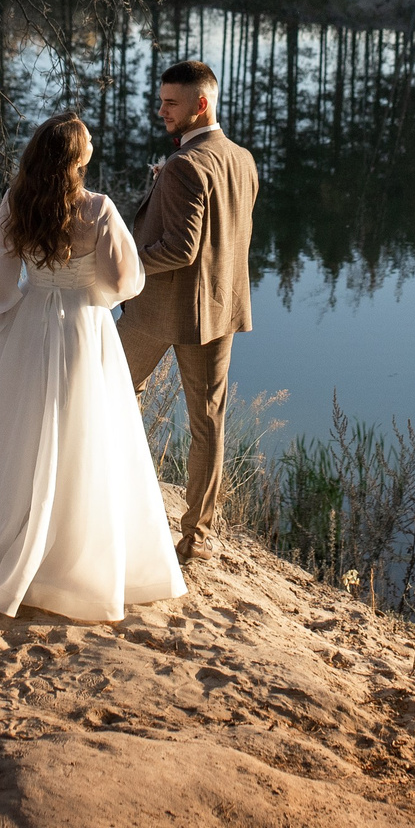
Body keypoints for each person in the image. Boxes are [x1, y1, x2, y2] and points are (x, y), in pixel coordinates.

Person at [0, 114, 186, 620]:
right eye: (88, 140)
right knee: (83, 431)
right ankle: (67, 557)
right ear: (76, 156)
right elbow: (123, 281)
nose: (93, 143)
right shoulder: (99, 209)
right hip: (84, 331)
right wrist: (87, 290)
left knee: (15, 430)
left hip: (29, 323)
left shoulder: (17, 203)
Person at [118, 60, 259, 566]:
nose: (161, 111)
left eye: (171, 103)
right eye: (160, 101)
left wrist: (122, 264)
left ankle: (116, 500)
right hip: (219, 309)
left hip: (160, 311)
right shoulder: (241, 158)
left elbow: (181, 248)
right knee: (208, 422)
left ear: (201, 103)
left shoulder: (183, 165)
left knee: (109, 389)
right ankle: (197, 534)